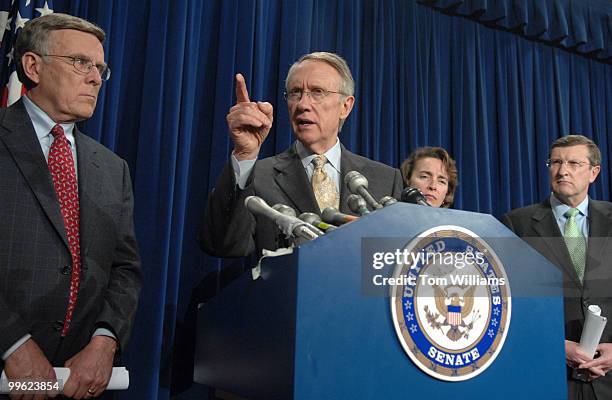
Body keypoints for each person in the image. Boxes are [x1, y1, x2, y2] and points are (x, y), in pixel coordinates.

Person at [0, 13, 141, 399]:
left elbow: (125, 269)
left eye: (100, 68)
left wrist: (104, 341)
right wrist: (12, 343)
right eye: (81, 63)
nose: (95, 78)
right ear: (33, 66)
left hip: (79, 383)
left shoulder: (114, 169)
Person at [200, 52, 403, 258]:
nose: (303, 104)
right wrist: (245, 154)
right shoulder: (258, 175)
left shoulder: (386, 180)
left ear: (345, 106)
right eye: (295, 93)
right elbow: (222, 245)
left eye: (317, 92)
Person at [502, 135, 612, 399]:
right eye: (556, 162)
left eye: (574, 163)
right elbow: (505, 303)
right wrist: (557, 347)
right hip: (549, 375)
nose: (563, 171)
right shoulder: (517, 224)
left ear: (594, 172)